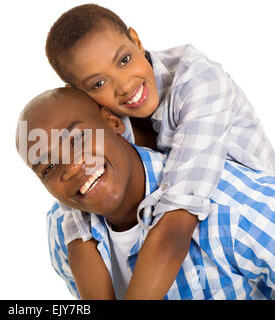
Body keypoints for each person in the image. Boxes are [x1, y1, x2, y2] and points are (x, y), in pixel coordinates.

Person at [44, 4, 275, 299]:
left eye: (125, 59)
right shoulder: (104, 121)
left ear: (136, 41)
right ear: (79, 91)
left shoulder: (199, 82)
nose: (125, 86)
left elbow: (179, 216)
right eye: (99, 83)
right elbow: (78, 228)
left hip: (242, 221)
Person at [16, 87, 275, 299]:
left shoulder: (231, 206)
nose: (71, 168)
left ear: (113, 122)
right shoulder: (61, 233)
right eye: (48, 166)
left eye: (78, 138)